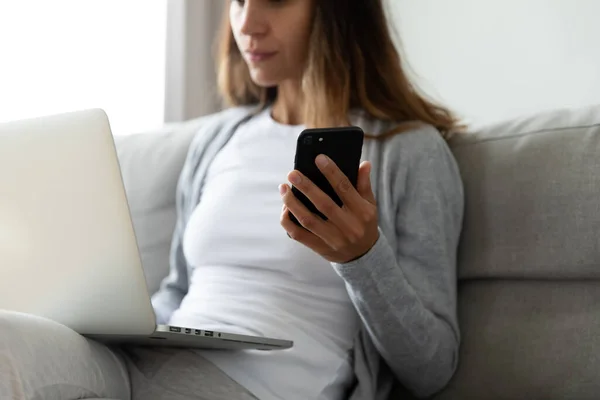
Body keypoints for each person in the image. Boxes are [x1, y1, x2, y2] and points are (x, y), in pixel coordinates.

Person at [0, 0, 464, 399]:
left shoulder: (408, 152)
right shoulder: (221, 137)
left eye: (277, 1)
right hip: (148, 363)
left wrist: (362, 257)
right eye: (240, 0)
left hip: (259, 385)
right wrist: (110, 318)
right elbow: (178, 291)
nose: (247, 24)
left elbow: (431, 367)